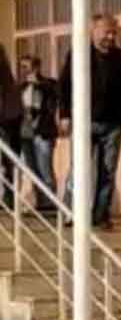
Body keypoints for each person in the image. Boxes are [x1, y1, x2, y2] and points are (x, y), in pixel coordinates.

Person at [59, 13, 121, 230]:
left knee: (108, 170)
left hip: (113, 123)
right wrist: (65, 114)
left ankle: (101, 215)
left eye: (114, 32)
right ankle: (71, 213)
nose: (111, 37)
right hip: (84, 120)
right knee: (79, 169)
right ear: (92, 31)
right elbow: (65, 86)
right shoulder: (79, 54)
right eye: (107, 32)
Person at [17, 55, 60, 212]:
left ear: (36, 67)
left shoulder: (49, 84)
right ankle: (40, 203)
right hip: (26, 133)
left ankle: (50, 203)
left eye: (27, 67)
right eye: (22, 67)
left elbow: (56, 94)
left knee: (45, 168)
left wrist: (38, 84)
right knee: (32, 169)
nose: (24, 71)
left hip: (43, 133)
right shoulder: (21, 87)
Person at [0, 47, 23, 209]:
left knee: (9, 161)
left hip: (8, 118)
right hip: (10, 116)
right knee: (8, 162)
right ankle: (8, 199)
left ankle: (9, 200)